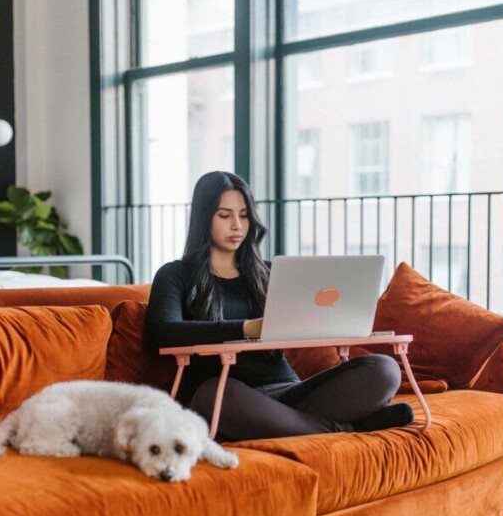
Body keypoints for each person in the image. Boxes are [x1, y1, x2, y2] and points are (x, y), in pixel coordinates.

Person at [146, 171, 412, 440]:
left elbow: (309, 318)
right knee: (212, 395)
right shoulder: (175, 275)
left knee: (384, 369)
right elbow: (166, 331)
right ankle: (347, 428)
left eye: (244, 215)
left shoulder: (270, 274)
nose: (237, 225)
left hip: (287, 391)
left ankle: (293, 424)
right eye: (225, 216)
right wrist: (246, 328)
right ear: (204, 219)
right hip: (230, 396)